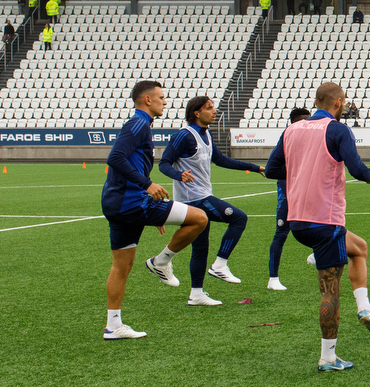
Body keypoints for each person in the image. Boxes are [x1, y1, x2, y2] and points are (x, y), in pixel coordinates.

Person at [264, 81, 370, 372]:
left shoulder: (292, 129)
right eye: (344, 104)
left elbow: (271, 169)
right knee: (329, 291)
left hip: (297, 221)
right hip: (325, 220)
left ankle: (365, 308)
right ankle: (328, 357)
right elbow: (357, 168)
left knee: (359, 248)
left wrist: (301, 168)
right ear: (338, 103)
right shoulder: (337, 129)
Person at [101, 81, 211, 340]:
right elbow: (115, 158)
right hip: (131, 202)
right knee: (200, 218)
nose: (165, 101)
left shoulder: (140, 124)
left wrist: (155, 210)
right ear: (147, 100)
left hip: (118, 203)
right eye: (161, 97)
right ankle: (160, 262)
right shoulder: (138, 123)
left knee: (121, 267)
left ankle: (113, 326)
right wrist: (148, 185)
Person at [158, 95, 265, 305]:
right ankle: (220, 265)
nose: (214, 111)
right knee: (239, 218)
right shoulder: (184, 135)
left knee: (201, 247)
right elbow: (164, 164)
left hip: (201, 196)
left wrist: (254, 167)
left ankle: (196, 294)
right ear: (196, 113)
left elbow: (221, 160)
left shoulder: (206, 135)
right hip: (194, 199)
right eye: (209, 108)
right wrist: (179, 175)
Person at [267, 107, 313, 291]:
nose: (308, 124)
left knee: (321, 222)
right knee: (281, 232)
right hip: (288, 189)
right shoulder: (287, 136)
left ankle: (317, 254)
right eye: (304, 120)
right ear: (294, 122)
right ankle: (273, 279)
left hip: (308, 188)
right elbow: (272, 166)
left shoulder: (312, 137)